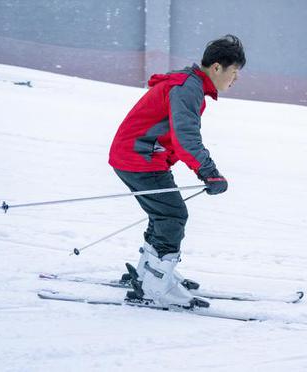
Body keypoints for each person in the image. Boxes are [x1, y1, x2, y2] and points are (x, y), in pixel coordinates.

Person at [108, 35, 246, 308]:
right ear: (217, 68)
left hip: (136, 155)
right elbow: (186, 138)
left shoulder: (188, 83)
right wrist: (210, 173)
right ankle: (155, 286)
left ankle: (151, 269)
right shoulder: (188, 88)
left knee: (162, 213)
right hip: (140, 158)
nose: (235, 80)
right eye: (234, 73)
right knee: (172, 215)